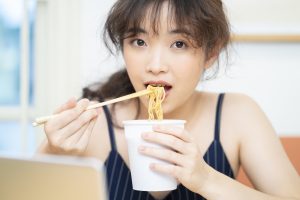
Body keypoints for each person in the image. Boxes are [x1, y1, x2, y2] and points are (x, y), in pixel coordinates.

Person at [37, 0, 300, 199]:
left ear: (211, 53)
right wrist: (52, 153)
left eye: (179, 44)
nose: (156, 65)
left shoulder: (238, 115)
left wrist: (206, 179)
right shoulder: (93, 124)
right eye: (139, 41)